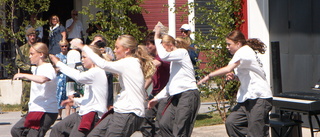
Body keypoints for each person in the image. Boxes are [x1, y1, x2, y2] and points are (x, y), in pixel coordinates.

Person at [71, 34, 155, 137]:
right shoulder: (127, 63)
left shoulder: (129, 62)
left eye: (117, 47)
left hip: (129, 112)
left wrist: (84, 47)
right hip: (120, 110)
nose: (114, 50)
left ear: (127, 50)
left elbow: (103, 64)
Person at [197, 30, 273, 137]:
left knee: (255, 130)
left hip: (260, 97)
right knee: (232, 122)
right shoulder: (240, 55)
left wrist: (209, 76)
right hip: (247, 98)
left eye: (229, 44)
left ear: (238, 44)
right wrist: (234, 77)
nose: (227, 47)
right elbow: (244, 75)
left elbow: (228, 68)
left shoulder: (245, 51)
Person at [148, 24, 200, 137]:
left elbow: (164, 56)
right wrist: (156, 99)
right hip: (176, 96)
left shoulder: (182, 53)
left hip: (188, 94)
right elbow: (170, 85)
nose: (162, 51)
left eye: (163, 47)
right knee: (164, 124)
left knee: (180, 129)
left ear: (170, 45)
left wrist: (157, 37)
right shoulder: (174, 63)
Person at [49, 45, 109, 136]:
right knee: (58, 129)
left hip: (92, 115)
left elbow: (78, 76)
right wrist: (75, 101)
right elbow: (90, 99)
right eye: (81, 57)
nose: (82, 60)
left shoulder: (97, 72)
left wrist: (59, 63)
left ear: (93, 58)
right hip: (83, 112)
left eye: (84, 57)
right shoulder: (92, 72)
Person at [11, 42, 58, 137]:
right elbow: (32, 69)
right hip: (35, 109)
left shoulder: (48, 68)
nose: (29, 56)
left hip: (46, 111)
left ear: (41, 54)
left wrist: (23, 75)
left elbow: (42, 79)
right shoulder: (36, 68)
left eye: (32, 54)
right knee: (16, 130)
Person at [140, 32, 170, 137]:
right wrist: (142, 90)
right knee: (145, 117)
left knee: (160, 124)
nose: (147, 47)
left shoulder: (163, 57)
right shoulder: (154, 58)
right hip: (155, 94)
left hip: (165, 95)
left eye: (149, 44)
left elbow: (154, 65)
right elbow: (150, 77)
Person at [15, 27, 37, 117]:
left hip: (37, 76)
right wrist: (28, 67)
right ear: (27, 37)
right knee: (26, 94)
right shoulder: (22, 49)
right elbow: (18, 62)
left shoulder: (39, 47)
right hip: (27, 76)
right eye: (31, 35)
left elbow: (45, 59)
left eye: (34, 35)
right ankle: (24, 112)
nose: (32, 37)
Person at [65, 42, 82, 117]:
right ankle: (76, 114)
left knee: (70, 95)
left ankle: (67, 115)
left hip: (69, 76)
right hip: (75, 76)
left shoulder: (69, 53)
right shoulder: (76, 53)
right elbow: (78, 66)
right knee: (78, 95)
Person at [55, 40, 69, 120]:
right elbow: (55, 68)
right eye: (62, 46)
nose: (64, 48)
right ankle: (59, 114)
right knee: (59, 95)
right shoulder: (57, 56)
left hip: (68, 77)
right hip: (60, 78)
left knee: (68, 95)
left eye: (65, 46)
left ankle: (68, 114)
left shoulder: (70, 55)